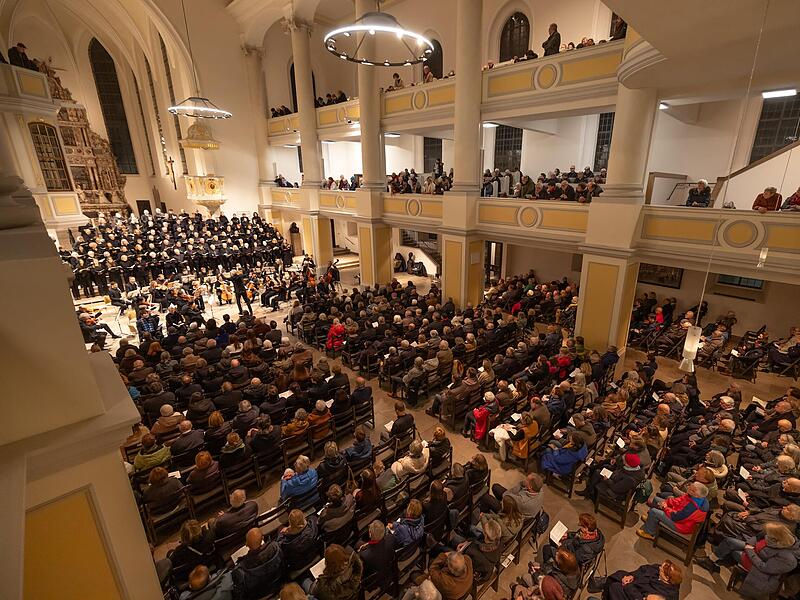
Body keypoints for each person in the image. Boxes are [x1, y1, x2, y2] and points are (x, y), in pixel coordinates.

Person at [636, 482, 710, 540]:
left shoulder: (693, 507)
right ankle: (651, 521)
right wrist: (667, 502)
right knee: (656, 499)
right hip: (677, 514)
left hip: (681, 525)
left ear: (696, 494)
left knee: (654, 512)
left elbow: (676, 517)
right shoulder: (694, 496)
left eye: (691, 489)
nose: (688, 489)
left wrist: (665, 507)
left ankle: (649, 533)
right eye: (690, 486)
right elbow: (679, 500)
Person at [232, 528, 283, 598]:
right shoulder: (275, 547)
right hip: (277, 583)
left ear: (246, 544)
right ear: (262, 538)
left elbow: (240, 592)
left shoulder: (241, 569)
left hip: (258, 594)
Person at [603, 560, 682, 600]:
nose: (659, 568)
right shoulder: (659, 569)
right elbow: (644, 569)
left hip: (633, 594)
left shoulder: (667, 595)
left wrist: (627, 586)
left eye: (661, 570)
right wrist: (632, 576)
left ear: (666, 578)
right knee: (618, 575)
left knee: (615, 587)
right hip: (635, 582)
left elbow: (640, 598)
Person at [358, 520, 396, 587]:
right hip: (388, 569)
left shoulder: (364, 555)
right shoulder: (391, 538)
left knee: (357, 544)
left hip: (374, 580)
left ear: (370, 534)